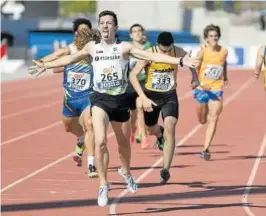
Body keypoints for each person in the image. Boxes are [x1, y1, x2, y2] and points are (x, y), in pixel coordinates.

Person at [28, 10, 199, 207]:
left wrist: (180, 61)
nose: (105, 26)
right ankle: (103, 184)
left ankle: (126, 172)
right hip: (100, 100)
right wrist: (45, 65)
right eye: (102, 23)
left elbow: (150, 55)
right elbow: (68, 59)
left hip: (120, 100)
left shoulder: (124, 47)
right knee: (100, 141)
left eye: (109, 23)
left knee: (123, 144)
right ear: (99, 26)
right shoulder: (92, 47)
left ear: (115, 27)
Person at [29, 22, 99, 178]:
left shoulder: (95, 50)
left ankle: (91, 165)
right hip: (70, 98)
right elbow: (55, 57)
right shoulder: (70, 49)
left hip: (88, 96)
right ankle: (81, 139)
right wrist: (41, 63)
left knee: (90, 125)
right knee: (68, 127)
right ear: (76, 34)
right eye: (81, 32)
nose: (84, 35)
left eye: (86, 32)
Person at [130, 31, 200, 184]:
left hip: (169, 95)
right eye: (163, 50)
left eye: (169, 49)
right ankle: (158, 133)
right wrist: (142, 97)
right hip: (151, 96)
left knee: (170, 126)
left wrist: (195, 77)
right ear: (157, 45)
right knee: (150, 129)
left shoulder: (178, 51)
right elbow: (133, 75)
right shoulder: (149, 53)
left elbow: (190, 63)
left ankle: (165, 169)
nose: (166, 52)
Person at [193, 24, 228, 160]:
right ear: (206, 38)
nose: (214, 38)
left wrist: (225, 76)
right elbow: (194, 69)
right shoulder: (202, 51)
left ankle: (205, 148)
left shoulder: (224, 51)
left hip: (216, 88)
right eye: (211, 36)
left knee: (214, 117)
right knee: (202, 120)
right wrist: (201, 83)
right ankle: (203, 116)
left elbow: (224, 63)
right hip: (202, 89)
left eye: (216, 36)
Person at [126, 23, 152, 145]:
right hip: (131, 83)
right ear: (131, 35)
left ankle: (143, 135)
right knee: (132, 113)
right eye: (134, 31)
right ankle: (133, 130)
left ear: (143, 33)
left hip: (144, 82)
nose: (137, 33)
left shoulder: (148, 46)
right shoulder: (127, 47)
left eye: (139, 31)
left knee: (140, 106)